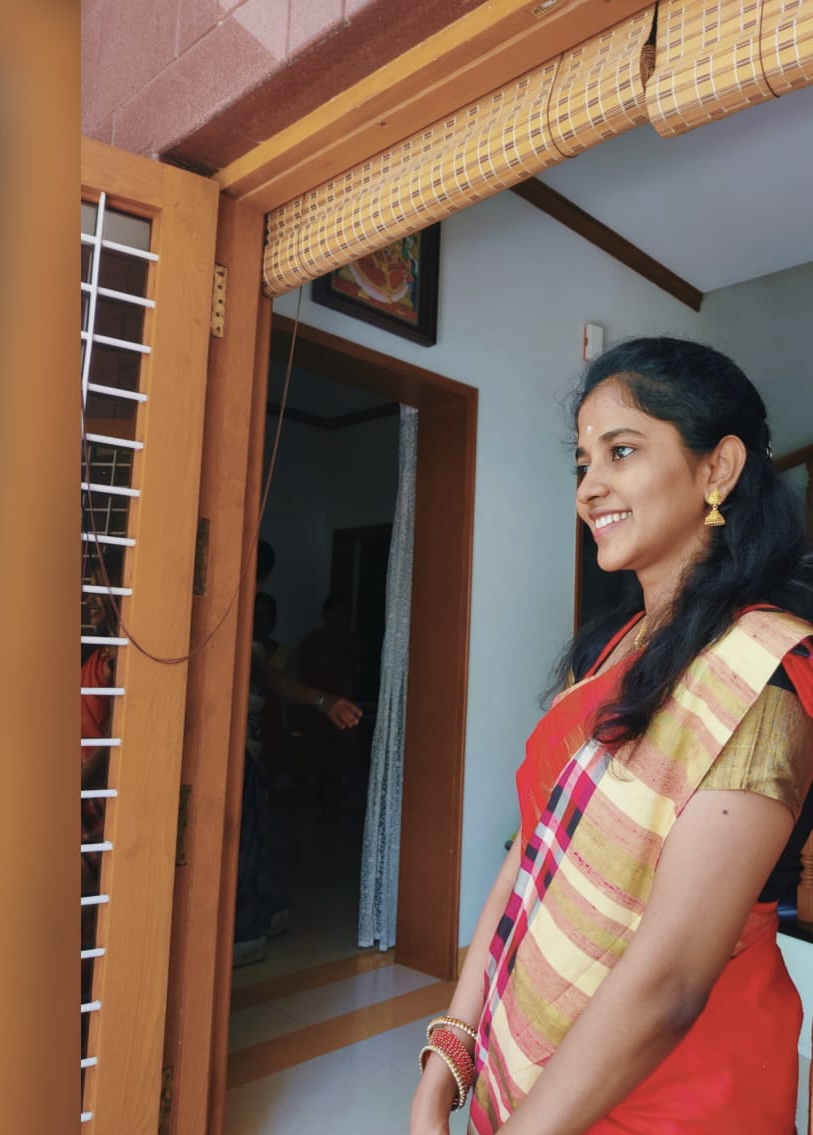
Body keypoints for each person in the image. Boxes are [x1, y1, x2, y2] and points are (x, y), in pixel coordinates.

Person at [410, 338, 813, 1135]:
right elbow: (526, 855)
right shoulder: (606, 647)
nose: (589, 487)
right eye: (582, 462)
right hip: (538, 1060)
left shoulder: (757, 676)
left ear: (717, 467)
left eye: (620, 451)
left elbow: (670, 985)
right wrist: (449, 1052)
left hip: (682, 1090)